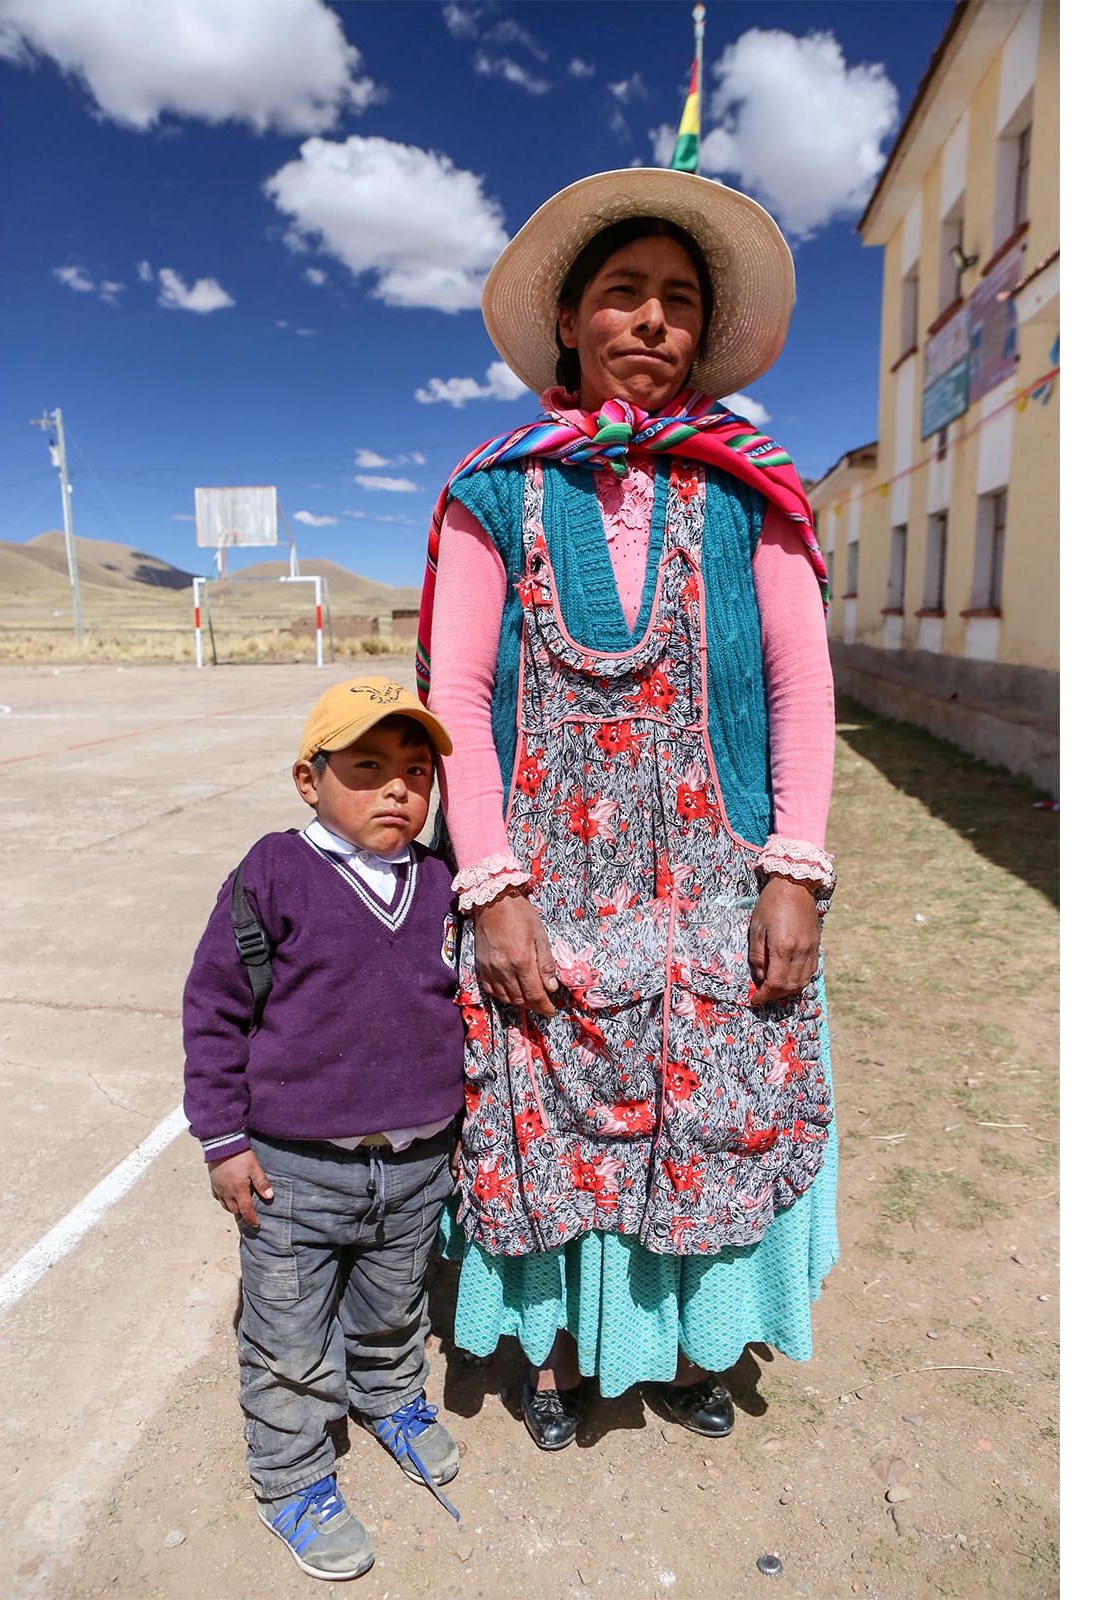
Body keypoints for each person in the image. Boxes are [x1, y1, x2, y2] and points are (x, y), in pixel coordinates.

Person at [418, 165, 838, 1452]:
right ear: (570, 322)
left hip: (719, 880)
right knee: (545, 1113)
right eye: (622, 294)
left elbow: (801, 681)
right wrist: (492, 886)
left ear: (702, 333)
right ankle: (551, 1359)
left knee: (712, 1107)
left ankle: (697, 1345)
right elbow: (459, 693)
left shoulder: (747, 493)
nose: (651, 321)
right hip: (548, 892)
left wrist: (794, 871)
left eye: (676, 301)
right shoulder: (497, 493)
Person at [182, 678, 467, 1582]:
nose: (397, 791)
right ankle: (293, 1477)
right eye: (367, 768)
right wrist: (224, 1141)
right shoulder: (274, 871)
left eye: (415, 772)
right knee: (289, 1336)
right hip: (294, 1174)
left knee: (394, 1310)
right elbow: (214, 1011)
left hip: (417, 1165)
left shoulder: (442, 884)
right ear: (310, 779)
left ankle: (389, 1400)